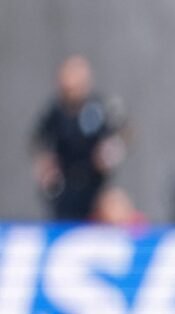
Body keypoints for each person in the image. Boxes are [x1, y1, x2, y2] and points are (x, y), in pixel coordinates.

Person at [31, 55, 127, 221]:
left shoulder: (100, 107)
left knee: (112, 208)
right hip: (64, 183)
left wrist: (109, 153)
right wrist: (46, 164)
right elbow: (38, 139)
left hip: (95, 182)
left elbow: (123, 131)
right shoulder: (55, 111)